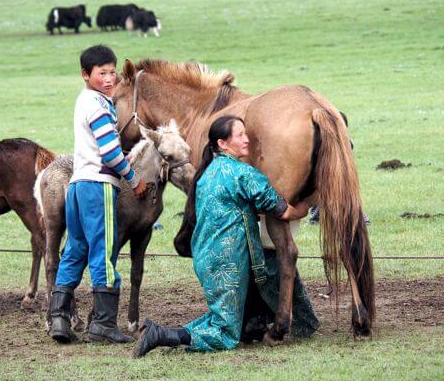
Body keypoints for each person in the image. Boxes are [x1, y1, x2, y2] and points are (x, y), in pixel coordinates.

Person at [134, 115, 314, 357]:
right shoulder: (244, 175)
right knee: (225, 334)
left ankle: (273, 321)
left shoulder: (206, 173)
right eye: (240, 135)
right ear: (222, 143)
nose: (246, 140)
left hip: (207, 258)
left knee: (221, 316)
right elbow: (283, 211)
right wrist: (308, 205)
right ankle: (162, 335)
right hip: (227, 263)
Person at [49, 45, 147, 344]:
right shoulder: (101, 105)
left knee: (75, 248)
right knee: (104, 251)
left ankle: (59, 320)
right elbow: (110, 152)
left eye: (112, 72)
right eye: (101, 73)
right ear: (85, 75)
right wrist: (134, 179)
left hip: (78, 185)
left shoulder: (83, 101)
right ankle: (103, 324)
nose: (109, 78)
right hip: (98, 186)